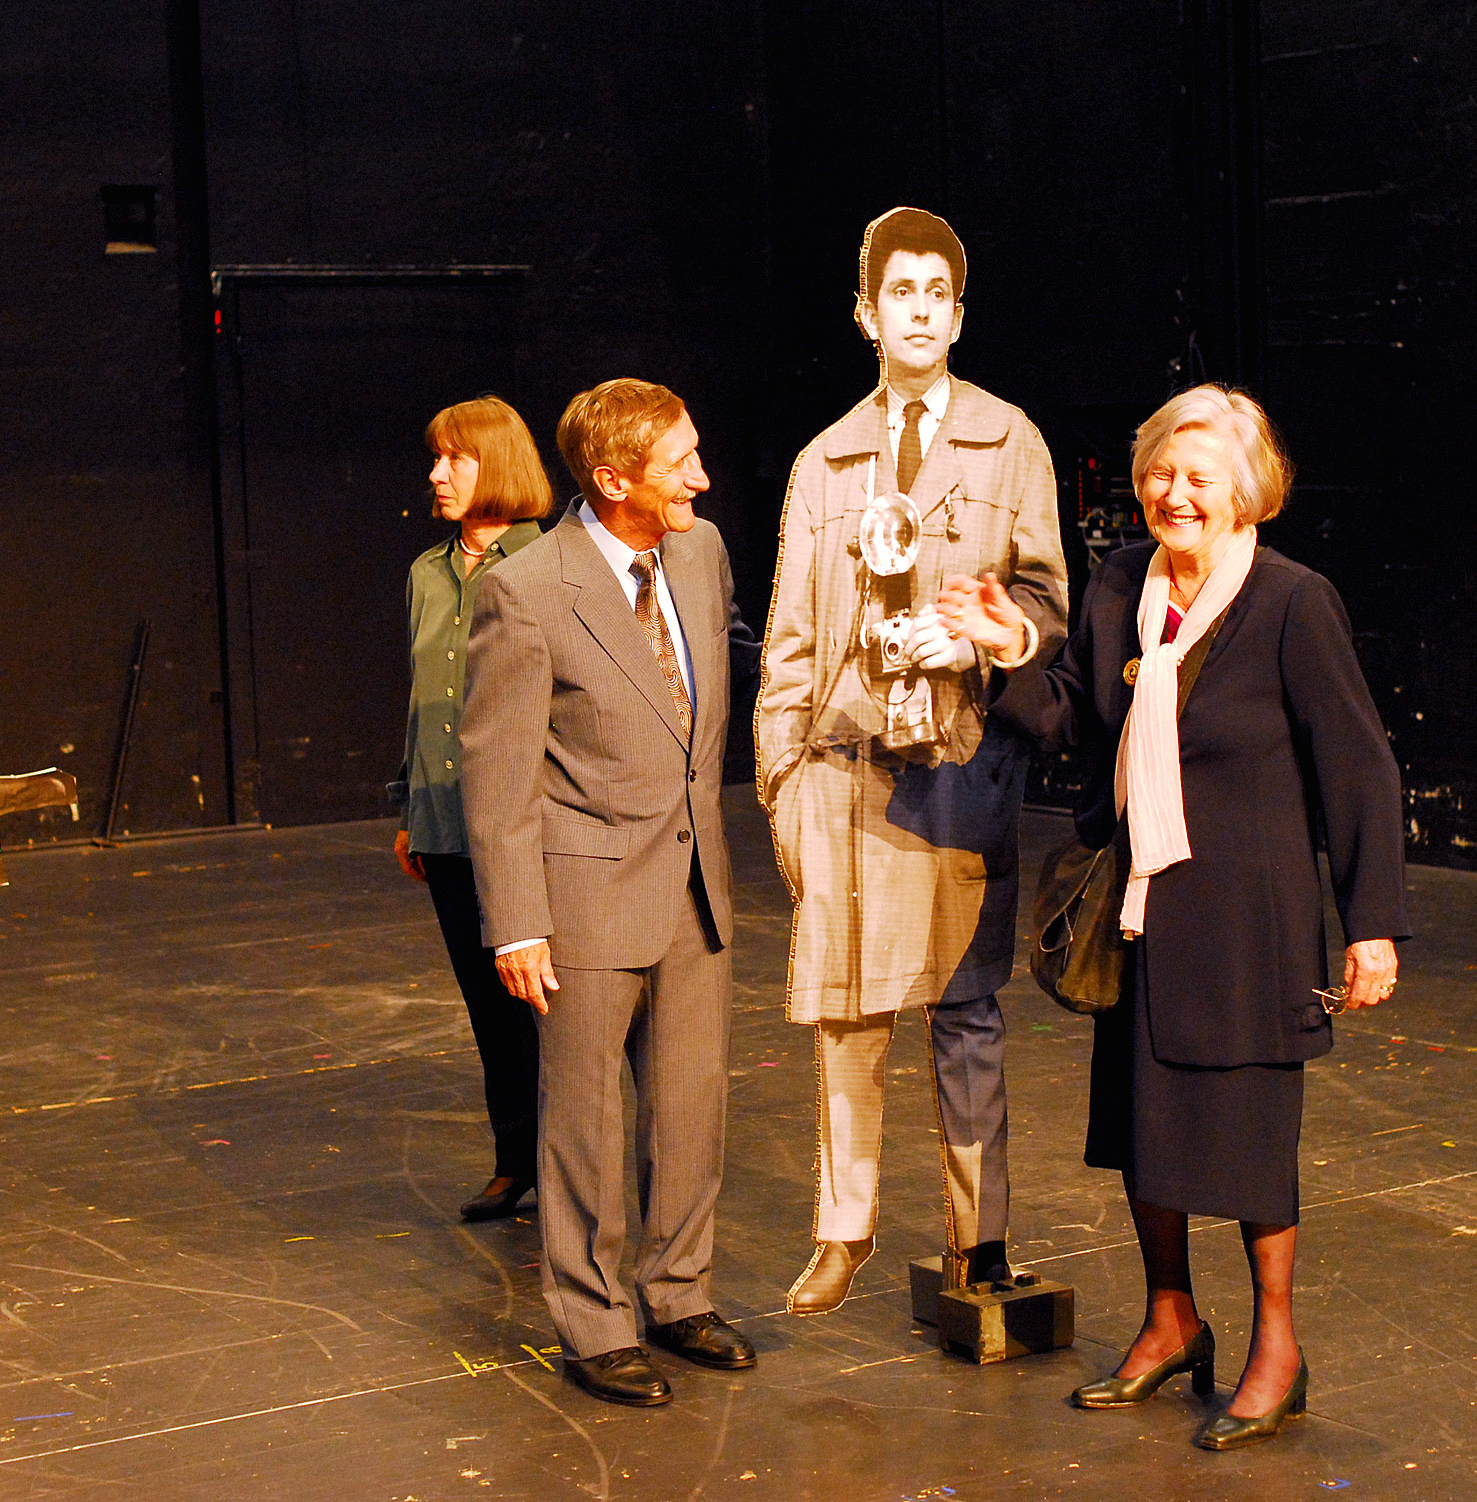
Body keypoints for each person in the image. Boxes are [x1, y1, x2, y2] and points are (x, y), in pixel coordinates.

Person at [942, 383, 1408, 1450]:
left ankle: (1277, 1346)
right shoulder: (1121, 582)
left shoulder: (1292, 602)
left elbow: (1358, 765)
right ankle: (1171, 1318)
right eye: (1160, 470)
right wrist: (1009, 646)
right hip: (1141, 910)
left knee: (1249, 1142)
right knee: (1143, 1130)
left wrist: (1371, 922)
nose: (1173, 492)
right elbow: (1073, 715)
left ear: (1248, 492)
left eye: (1199, 477)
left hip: (1250, 922)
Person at [755, 207, 1068, 1315]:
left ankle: (978, 1240)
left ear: (960, 315)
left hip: (957, 767)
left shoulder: (1010, 441)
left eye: (940, 293)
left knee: (966, 1010)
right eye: (902, 292)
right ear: (866, 313)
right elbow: (789, 641)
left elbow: (1047, 605)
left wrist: (980, 640)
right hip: (843, 776)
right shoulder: (824, 460)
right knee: (847, 1013)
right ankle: (844, 1228)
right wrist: (782, 786)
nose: (921, 311)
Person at [460, 378, 760, 1407]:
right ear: (613, 478)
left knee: (688, 1109)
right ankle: (595, 1323)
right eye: (681, 463)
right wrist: (517, 924)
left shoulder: (701, 552)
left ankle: (679, 1294)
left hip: (694, 885)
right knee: (585, 1122)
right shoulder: (526, 590)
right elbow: (498, 775)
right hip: (584, 894)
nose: (702, 479)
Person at [390, 396, 552, 1222]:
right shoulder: (428, 573)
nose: (436, 473)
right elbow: (425, 698)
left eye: (454, 457)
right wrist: (409, 805)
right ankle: (516, 1159)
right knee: (488, 1006)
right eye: (436, 457)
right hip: (447, 824)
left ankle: (578, 1167)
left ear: (499, 464)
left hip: (532, 826)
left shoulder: (551, 563)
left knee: (553, 1009)